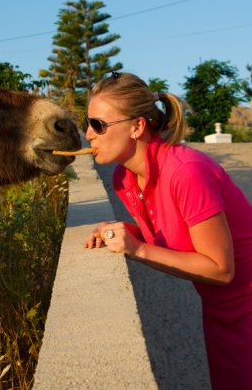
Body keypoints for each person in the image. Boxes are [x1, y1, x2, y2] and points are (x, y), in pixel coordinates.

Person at [84, 72, 252, 390]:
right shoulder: (125, 179)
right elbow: (169, 235)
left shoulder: (187, 173)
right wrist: (121, 232)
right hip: (218, 311)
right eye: (88, 123)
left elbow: (221, 269)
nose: (88, 134)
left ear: (137, 126)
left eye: (98, 125)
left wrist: (136, 249)